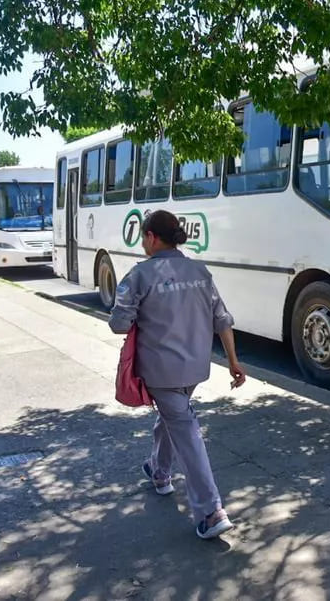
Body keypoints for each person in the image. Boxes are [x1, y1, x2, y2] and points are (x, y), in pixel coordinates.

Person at [108, 210, 246, 539]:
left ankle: (211, 512)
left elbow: (119, 324)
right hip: (196, 368)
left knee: (186, 432)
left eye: (144, 237)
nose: (143, 243)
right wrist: (234, 362)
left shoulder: (139, 275)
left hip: (160, 370)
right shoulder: (200, 271)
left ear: (153, 237)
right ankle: (158, 471)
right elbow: (222, 319)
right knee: (174, 416)